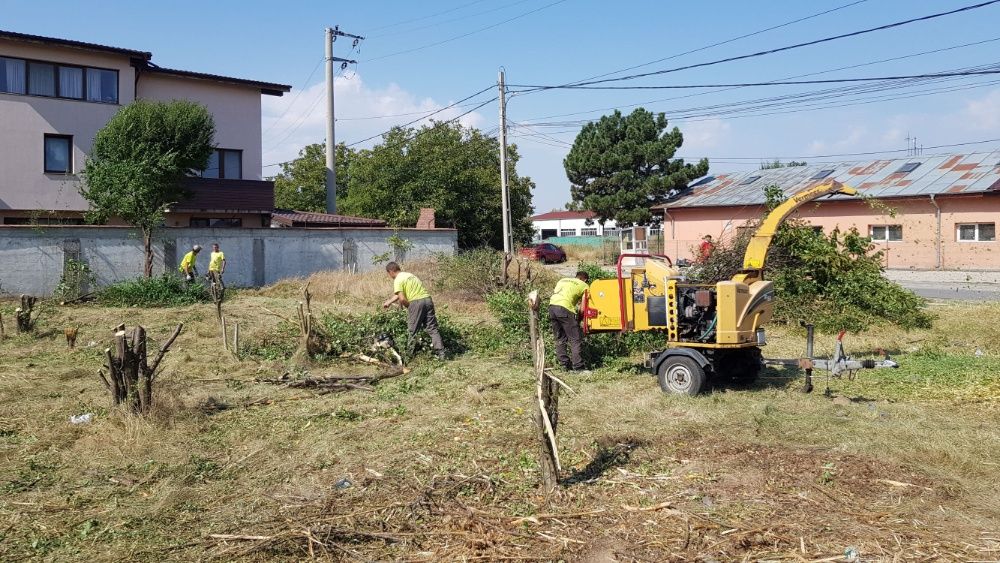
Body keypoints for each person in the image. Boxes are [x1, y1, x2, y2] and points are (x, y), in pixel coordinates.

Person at [382, 262, 446, 360]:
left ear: (390, 271)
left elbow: (402, 299)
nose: (389, 276)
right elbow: (398, 295)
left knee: (413, 330)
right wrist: (389, 302)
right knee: (432, 328)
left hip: (416, 302)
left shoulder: (398, 279)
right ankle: (441, 354)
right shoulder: (410, 275)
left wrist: (410, 307)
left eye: (388, 274)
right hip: (427, 300)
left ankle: (409, 357)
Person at [548, 270, 590, 372]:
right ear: (585, 279)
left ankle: (564, 365)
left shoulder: (562, 280)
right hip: (565, 308)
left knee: (560, 338)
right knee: (575, 338)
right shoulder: (585, 286)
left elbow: (558, 293)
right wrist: (579, 319)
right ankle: (578, 367)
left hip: (552, 307)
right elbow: (583, 308)